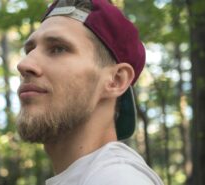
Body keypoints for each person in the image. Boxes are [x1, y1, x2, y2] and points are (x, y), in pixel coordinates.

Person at [16, 0, 164, 184]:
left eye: (58, 49)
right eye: (30, 50)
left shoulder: (117, 178)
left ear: (116, 80)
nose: (23, 64)